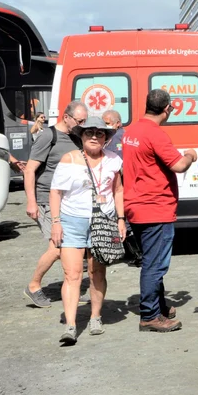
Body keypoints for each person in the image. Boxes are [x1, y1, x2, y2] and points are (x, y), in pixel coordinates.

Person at [122, 89, 197, 333]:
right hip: (155, 207)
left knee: (151, 261)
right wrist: (190, 154)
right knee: (155, 265)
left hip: (136, 205)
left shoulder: (131, 130)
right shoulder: (156, 134)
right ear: (167, 109)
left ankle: (159, 306)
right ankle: (150, 315)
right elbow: (178, 165)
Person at [49, 117, 125, 344]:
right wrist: (56, 222)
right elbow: (55, 192)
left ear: (106, 138)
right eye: (89, 132)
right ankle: (71, 326)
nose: (94, 137)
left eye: (99, 133)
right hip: (73, 221)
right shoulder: (69, 159)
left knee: (96, 273)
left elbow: (118, 190)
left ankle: (95, 317)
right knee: (72, 274)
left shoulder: (113, 160)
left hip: (104, 221)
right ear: (81, 136)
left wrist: (121, 219)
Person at [23, 101, 88, 308]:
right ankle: (33, 285)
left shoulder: (77, 137)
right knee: (59, 247)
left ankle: (71, 289)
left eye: (84, 121)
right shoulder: (47, 136)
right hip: (46, 199)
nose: (81, 125)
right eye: (79, 121)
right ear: (66, 116)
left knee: (69, 247)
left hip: (69, 201)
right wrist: (31, 202)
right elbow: (29, 170)